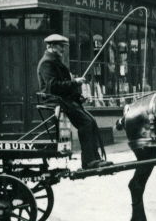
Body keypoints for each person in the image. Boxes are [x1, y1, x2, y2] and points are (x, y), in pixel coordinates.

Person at [37, 34, 112, 169]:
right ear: (51, 46)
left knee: (91, 121)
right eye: (61, 46)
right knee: (86, 123)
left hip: (65, 100)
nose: (63, 49)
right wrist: (75, 82)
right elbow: (53, 87)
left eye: (63, 46)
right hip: (56, 101)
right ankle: (89, 161)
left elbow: (63, 86)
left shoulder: (55, 61)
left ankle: (95, 158)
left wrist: (78, 97)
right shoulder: (47, 63)